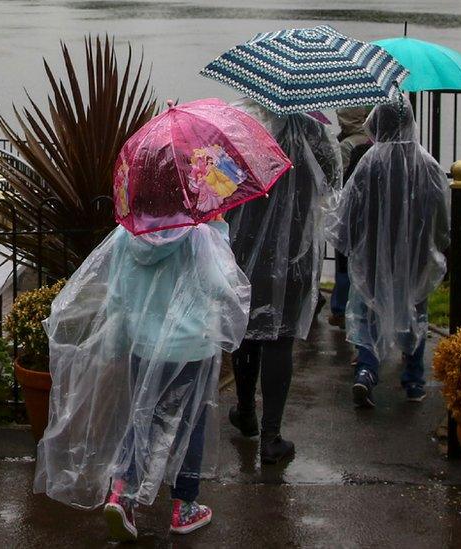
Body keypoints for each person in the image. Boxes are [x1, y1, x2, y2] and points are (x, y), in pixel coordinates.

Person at [34, 150, 251, 541]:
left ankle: (123, 491)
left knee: (142, 417)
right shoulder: (199, 234)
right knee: (190, 423)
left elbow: (116, 296)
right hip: (191, 349)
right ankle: (184, 506)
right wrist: (219, 231)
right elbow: (221, 288)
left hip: (143, 347)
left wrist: (119, 344)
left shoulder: (127, 233)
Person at [226, 98, 342, 462]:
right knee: (280, 338)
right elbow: (332, 185)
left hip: (245, 250)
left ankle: (246, 412)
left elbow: (220, 185)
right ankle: (272, 436)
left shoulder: (242, 132)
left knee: (246, 331)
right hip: (295, 251)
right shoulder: (316, 134)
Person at [327, 95, 451, 407]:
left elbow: (348, 212)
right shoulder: (428, 165)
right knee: (415, 311)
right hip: (416, 257)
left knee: (368, 309)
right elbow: (441, 217)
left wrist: (351, 246)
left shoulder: (369, 162)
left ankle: (367, 370)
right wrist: (436, 246)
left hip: (370, 255)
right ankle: (413, 380)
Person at [329, 106, 374, 329]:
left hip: (349, 212)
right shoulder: (375, 141)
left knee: (344, 264)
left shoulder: (347, 145)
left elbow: (338, 178)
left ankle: (339, 308)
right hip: (370, 215)